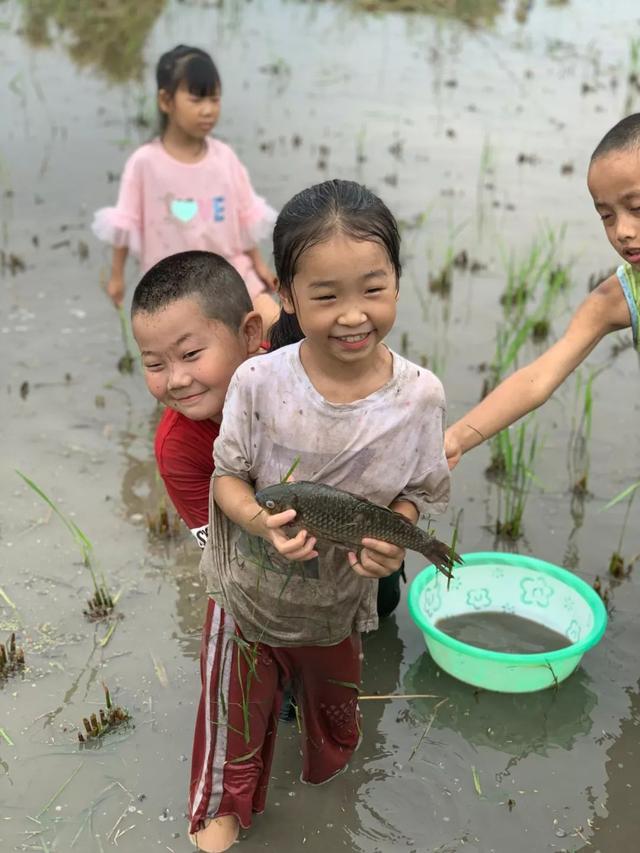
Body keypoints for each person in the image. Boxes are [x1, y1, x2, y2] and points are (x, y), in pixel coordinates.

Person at [196, 179, 450, 851]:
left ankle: (328, 821)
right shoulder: (258, 382)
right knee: (231, 748)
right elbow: (226, 479)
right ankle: (221, 823)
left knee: (334, 744)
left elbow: (413, 494)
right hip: (245, 600)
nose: (351, 315)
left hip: (338, 607)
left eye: (372, 288)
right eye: (325, 295)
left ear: (397, 279)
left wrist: (393, 545)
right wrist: (257, 520)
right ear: (286, 293)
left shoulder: (419, 397)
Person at [445, 112, 640, 469]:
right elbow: (538, 380)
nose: (622, 231)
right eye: (606, 216)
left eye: (636, 208)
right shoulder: (617, 297)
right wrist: (458, 437)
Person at [92, 44, 279, 331]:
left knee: (275, 325)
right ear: (166, 101)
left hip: (231, 274)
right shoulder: (145, 163)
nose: (208, 110)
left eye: (215, 100)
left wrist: (260, 265)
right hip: (173, 287)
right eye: (197, 99)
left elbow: (243, 219)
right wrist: (117, 276)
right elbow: (125, 223)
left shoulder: (224, 158)